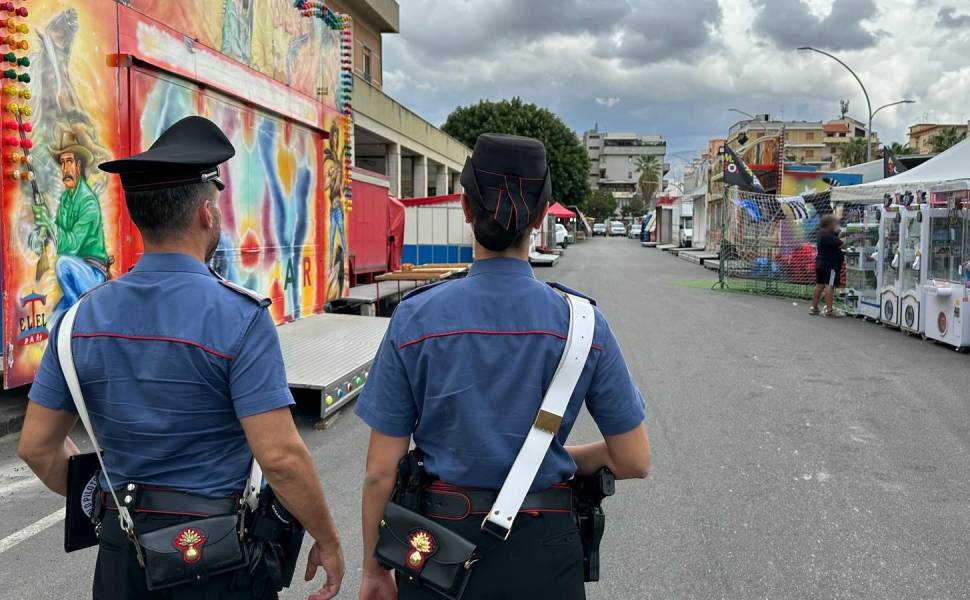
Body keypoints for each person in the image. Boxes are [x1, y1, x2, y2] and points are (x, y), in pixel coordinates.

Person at [17, 116, 344, 600]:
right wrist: (329, 539)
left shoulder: (77, 321)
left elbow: (37, 448)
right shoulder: (241, 317)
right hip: (217, 562)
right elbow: (279, 457)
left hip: (123, 563)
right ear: (206, 214)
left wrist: (108, 507)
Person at [355, 133, 651, 600]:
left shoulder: (417, 318)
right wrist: (552, 458)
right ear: (541, 215)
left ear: (466, 209)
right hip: (545, 549)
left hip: (436, 549)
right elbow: (633, 460)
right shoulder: (583, 324)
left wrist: (375, 570)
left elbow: (379, 472)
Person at [31, 131, 111, 321]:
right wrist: (42, 229)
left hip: (93, 275)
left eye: (69, 162)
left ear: (78, 165)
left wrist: (49, 224)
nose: (65, 168)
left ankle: (80, 318)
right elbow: (56, 233)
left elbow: (72, 244)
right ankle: (76, 316)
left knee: (63, 264)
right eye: (62, 163)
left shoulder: (88, 202)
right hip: (76, 278)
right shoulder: (66, 199)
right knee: (52, 323)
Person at [810, 214, 845, 317]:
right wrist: (855, 237)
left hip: (820, 264)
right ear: (829, 224)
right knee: (829, 285)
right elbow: (842, 244)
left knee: (819, 285)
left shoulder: (821, 234)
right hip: (830, 265)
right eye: (834, 223)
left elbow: (836, 238)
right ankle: (830, 310)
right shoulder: (828, 236)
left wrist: (839, 233)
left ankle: (814, 307)